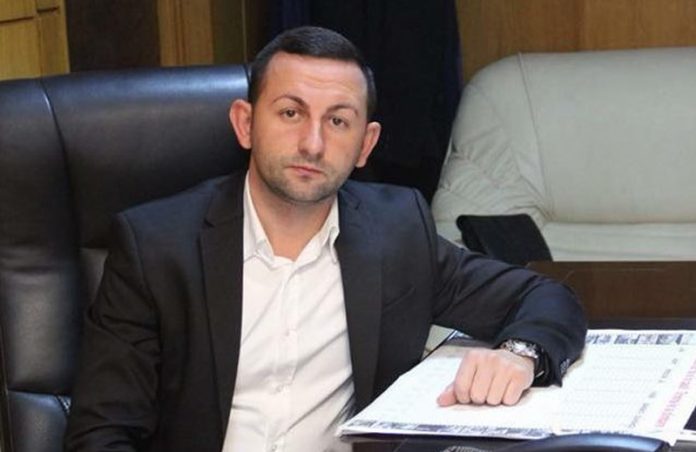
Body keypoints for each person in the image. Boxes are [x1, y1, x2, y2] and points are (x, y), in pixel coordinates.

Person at [65, 26, 586, 452]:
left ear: (365, 144)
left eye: (338, 121)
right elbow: (100, 436)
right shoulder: (156, 246)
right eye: (290, 113)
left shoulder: (397, 232)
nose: (312, 143)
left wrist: (520, 354)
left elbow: (545, 296)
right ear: (245, 123)